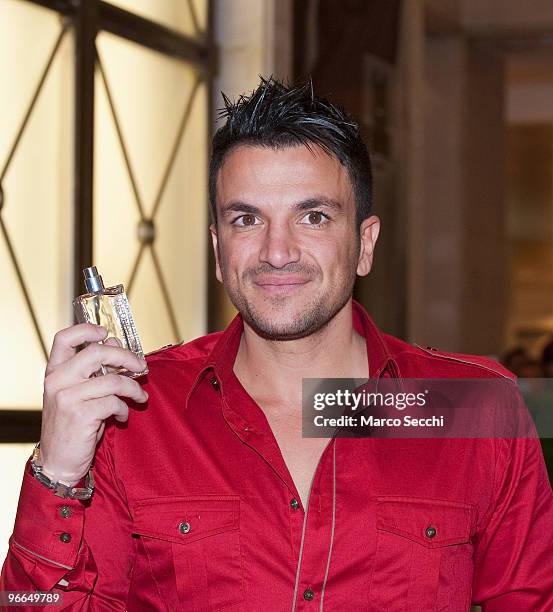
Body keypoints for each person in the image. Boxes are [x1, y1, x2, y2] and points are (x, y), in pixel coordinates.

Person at [2, 76, 553, 611]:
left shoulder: (472, 408)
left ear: (364, 244)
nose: (277, 251)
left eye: (313, 217)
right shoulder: (137, 412)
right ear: (219, 250)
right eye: (247, 219)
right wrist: (57, 473)